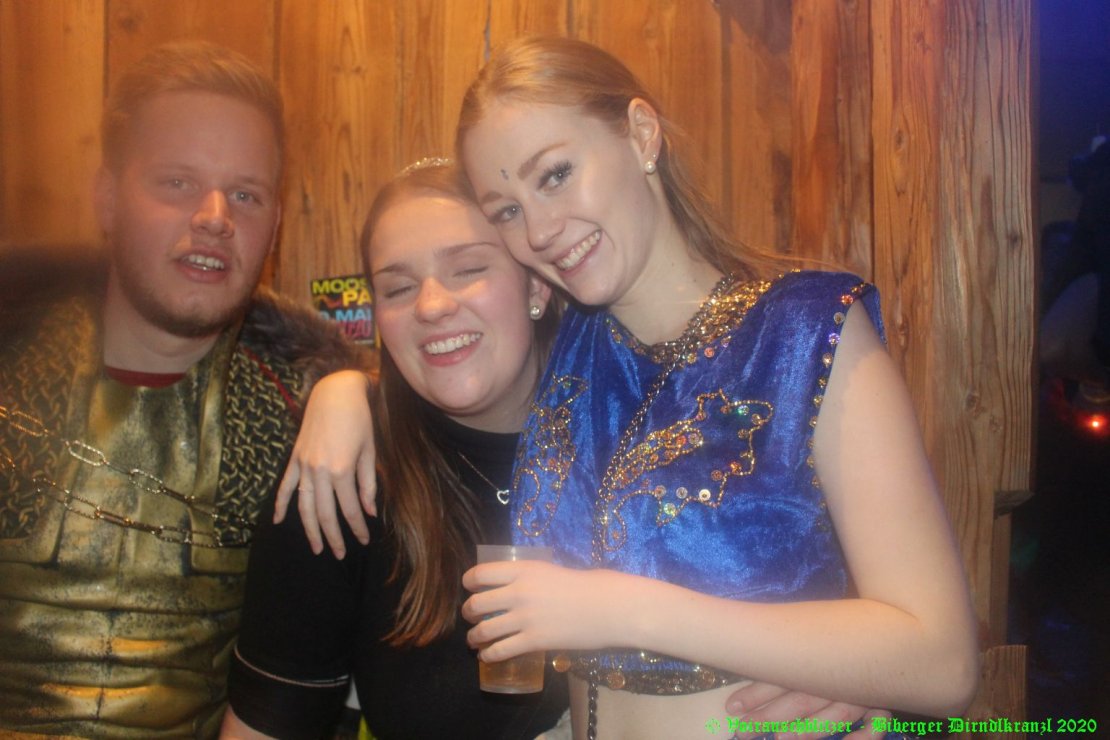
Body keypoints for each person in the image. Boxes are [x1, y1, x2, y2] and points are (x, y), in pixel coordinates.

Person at [452, 37, 979, 739]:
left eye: (555, 174)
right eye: (506, 211)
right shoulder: (563, 347)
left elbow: (942, 662)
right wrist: (339, 399)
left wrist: (625, 609)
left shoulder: (804, 332)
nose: (540, 231)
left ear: (642, 135)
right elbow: (440, 385)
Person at [0, 41, 369, 736]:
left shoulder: (301, 420)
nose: (214, 215)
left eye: (246, 194)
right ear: (107, 199)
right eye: (176, 182)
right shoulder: (13, 368)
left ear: (275, 226)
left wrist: (352, 388)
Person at [219, 159, 569, 740]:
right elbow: (269, 722)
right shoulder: (341, 475)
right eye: (399, 287)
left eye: (468, 269)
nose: (431, 305)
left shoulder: (626, 444)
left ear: (536, 284)